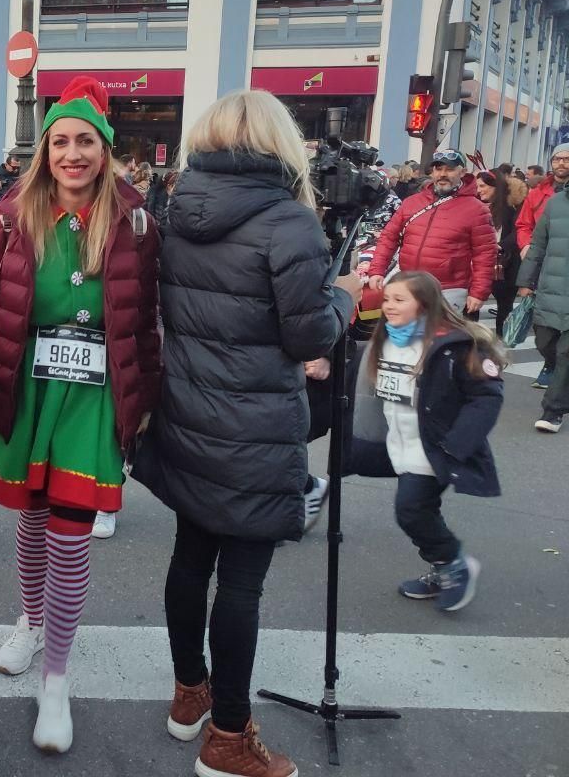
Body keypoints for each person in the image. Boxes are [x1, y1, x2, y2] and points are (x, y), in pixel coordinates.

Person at [132, 90, 361, 777]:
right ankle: (229, 737)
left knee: (191, 554)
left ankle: (188, 694)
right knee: (242, 582)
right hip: (256, 422)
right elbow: (309, 333)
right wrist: (346, 296)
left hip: (190, 411)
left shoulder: (179, 207)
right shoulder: (288, 223)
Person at [0, 76, 161, 752]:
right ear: (45, 152)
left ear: (104, 149)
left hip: (93, 395)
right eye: (60, 142)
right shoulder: (9, 217)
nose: (72, 154)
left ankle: (57, 678)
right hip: (26, 384)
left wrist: (146, 405)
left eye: (85, 142)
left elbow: (145, 323)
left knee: (72, 534)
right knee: (34, 518)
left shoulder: (135, 222)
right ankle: (32, 620)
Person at [350, 272, 502, 610]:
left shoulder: (454, 345)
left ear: (424, 304)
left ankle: (454, 564)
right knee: (420, 510)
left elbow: (487, 396)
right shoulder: (386, 338)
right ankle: (443, 565)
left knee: (411, 509)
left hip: (434, 448)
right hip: (398, 444)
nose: (388, 306)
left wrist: (457, 444)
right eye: (387, 299)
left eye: (399, 300)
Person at [366, 149, 496, 314]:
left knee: (437, 339)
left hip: (448, 291)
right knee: (405, 337)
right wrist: (376, 270)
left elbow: (485, 254)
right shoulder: (412, 202)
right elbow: (388, 238)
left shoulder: (477, 210)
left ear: (462, 172)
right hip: (409, 286)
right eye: (438, 169)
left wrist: (479, 292)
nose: (442, 174)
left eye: (449, 169)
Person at [516, 166, 569, 433]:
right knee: (545, 342)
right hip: (550, 289)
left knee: (565, 352)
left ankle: (553, 411)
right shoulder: (556, 203)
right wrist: (526, 280)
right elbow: (537, 245)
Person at [476, 170, 519, 333]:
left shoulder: (511, 207)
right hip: (480, 263)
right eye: (477, 186)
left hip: (505, 264)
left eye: (482, 186)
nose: (478, 190)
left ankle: (501, 346)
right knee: (472, 306)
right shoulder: (476, 205)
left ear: (496, 187)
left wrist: (500, 245)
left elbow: (519, 232)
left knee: (504, 307)